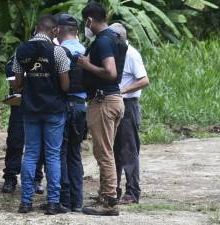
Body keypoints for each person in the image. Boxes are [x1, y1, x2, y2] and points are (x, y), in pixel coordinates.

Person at [13, 15, 70, 215]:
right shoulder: (58, 52)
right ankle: (53, 202)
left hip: (31, 109)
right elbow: (65, 85)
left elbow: (17, 83)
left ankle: (26, 202)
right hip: (54, 109)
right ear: (54, 30)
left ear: (37, 28)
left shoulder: (21, 51)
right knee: (53, 155)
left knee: (30, 154)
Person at [77, 2, 127, 216]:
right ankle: (106, 194)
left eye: (85, 22)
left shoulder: (104, 41)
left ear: (89, 21)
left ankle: (108, 201)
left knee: (103, 153)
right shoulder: (115, 38)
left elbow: (110, 72)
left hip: (104, 101)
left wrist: (87, 66)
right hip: (113, 100)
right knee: (106, 151)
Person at [109, 23, 149, 204]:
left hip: (128, 104)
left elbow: (144, 80)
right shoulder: (114, 53)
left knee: (128, 149)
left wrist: (122, 91)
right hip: (115, 103)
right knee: (113, 148)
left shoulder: (131, 54)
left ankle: (132, 192)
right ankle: (113, 189)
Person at [56, 14, 86, 212]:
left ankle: (64, 201)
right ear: (76, 31)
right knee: (75, 154)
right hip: (82, 107)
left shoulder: (59, 52)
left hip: (64, 106)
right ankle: (78, 201)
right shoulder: (86, 50)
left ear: (59, 30)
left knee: (61, 154)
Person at [1, 56, 45, 194]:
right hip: (20, 104)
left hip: (40, 104)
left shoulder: (47, 56)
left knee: (39, 143)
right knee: (15, 140)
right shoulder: (20, 56)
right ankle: (10, 177)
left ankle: (36, 179)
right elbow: (12, 76)